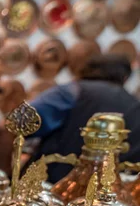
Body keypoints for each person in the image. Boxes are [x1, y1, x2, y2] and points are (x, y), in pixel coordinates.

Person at [29, 54, 140, 182]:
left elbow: (22, 124)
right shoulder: (135, 106)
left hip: (49, 186)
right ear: (125, 77)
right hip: (107, 195)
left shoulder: (72, 91)